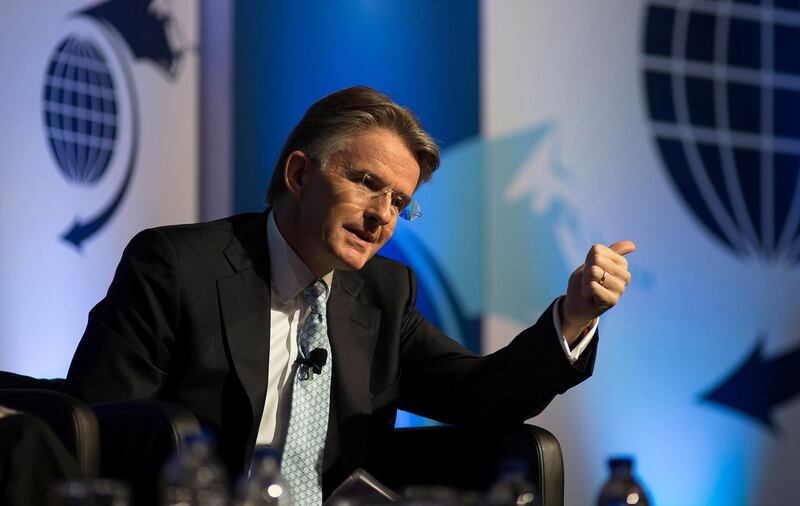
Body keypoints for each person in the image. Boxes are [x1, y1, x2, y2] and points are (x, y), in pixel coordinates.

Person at [66, 86, 634, 503]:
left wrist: (574, 318)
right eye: (367, 183)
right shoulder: (175, 265)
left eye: (398, 201)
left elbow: (481, 394)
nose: (381, 217)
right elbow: (104, 426)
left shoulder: (385, 293)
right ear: (298, 175)